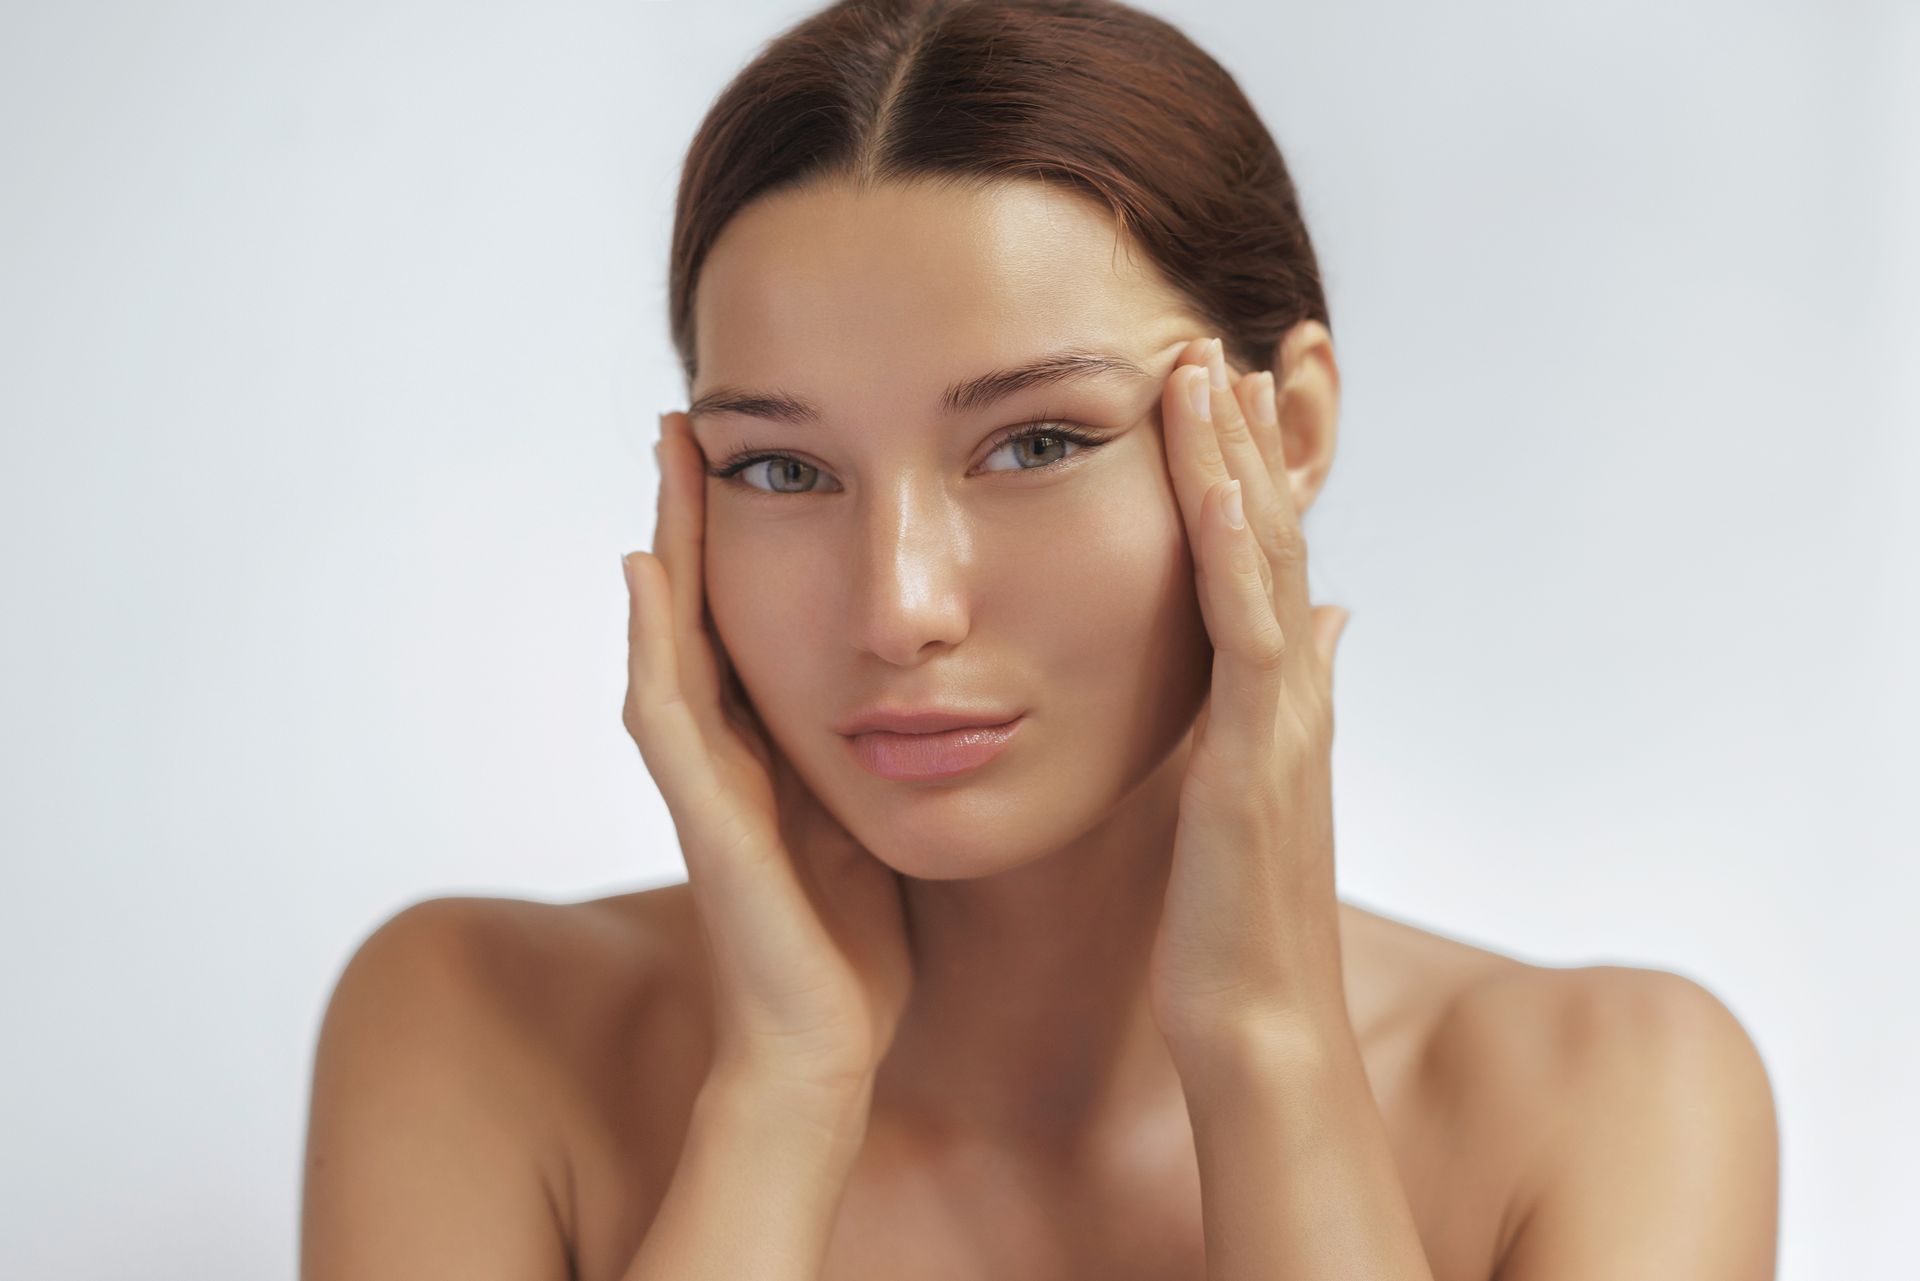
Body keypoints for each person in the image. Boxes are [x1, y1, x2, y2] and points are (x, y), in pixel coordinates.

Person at [299, 2, 1780, 1278]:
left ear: (1293, 429)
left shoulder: (1609, 1097)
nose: (899, 607)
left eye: (1037, 443)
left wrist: (1267, 1044)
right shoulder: (480, 1034)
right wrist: (785, 1091)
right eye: (781, 468)